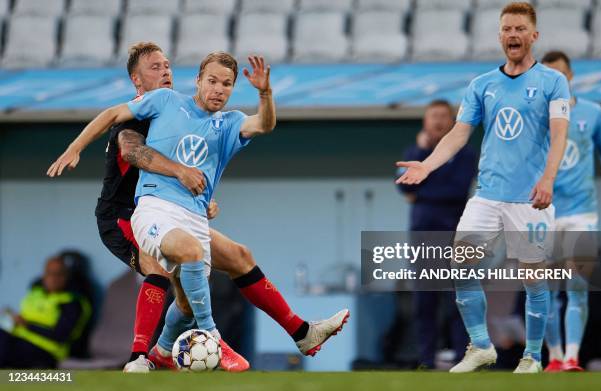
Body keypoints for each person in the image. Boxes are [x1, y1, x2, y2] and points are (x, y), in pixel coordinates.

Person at [47, 45, 348, 372]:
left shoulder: (198, 115)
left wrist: (199, 196)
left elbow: (258, 126)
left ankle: (300, 332)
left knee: (234, 260)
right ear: (136, 80)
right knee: (161, 267)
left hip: (181, 212)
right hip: (125, 215)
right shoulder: (144, 113)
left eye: (167, 65)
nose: (165, 72)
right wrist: (180, 172)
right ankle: (139, 357)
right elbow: (134, 153)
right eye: (154, 67)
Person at [396, 2, 570, 373]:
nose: (513, 34)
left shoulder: (553, 82)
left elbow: (559, 135)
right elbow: (459, 134)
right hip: (488, 195)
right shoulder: (482, 85)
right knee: (460, 266)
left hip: (530, 198)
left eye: (520, 29)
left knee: (534, 277)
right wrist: (426, 165)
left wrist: (548, 178)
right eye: (507, 28)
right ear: (499, 35)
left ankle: (533, 357)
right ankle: (480, 346)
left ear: (533, 35)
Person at [540, 50, 601, 372]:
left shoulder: (593, 113)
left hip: (582, 211)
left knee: (577, 285)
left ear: (570, 77)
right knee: (544, 289)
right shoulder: (532, 116)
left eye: (560, 76)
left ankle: (572, 357)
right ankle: (554, 355)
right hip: (541, 211)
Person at [396, 100, 477, 368]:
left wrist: (421, 191)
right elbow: (403, 188)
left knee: (458, 302)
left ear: (453, 121)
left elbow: (456, 190)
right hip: (424, 236)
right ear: (425, 122)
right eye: (433, 116)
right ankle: (426, 360)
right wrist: (421, 151)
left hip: (457, 235)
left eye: (444, 116)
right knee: (424, 302)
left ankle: (461, 358)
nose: (438, 121)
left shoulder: (466, 154)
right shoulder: (414, 152)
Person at [0, 256, 91, 368]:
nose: (53, 278)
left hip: (46, 351)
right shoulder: (36, 292)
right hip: (17, 338)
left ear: (67, 277)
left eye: (59, 274)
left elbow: (60, 336)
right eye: (49, 273)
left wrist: (27, 325)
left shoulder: (72, 303)